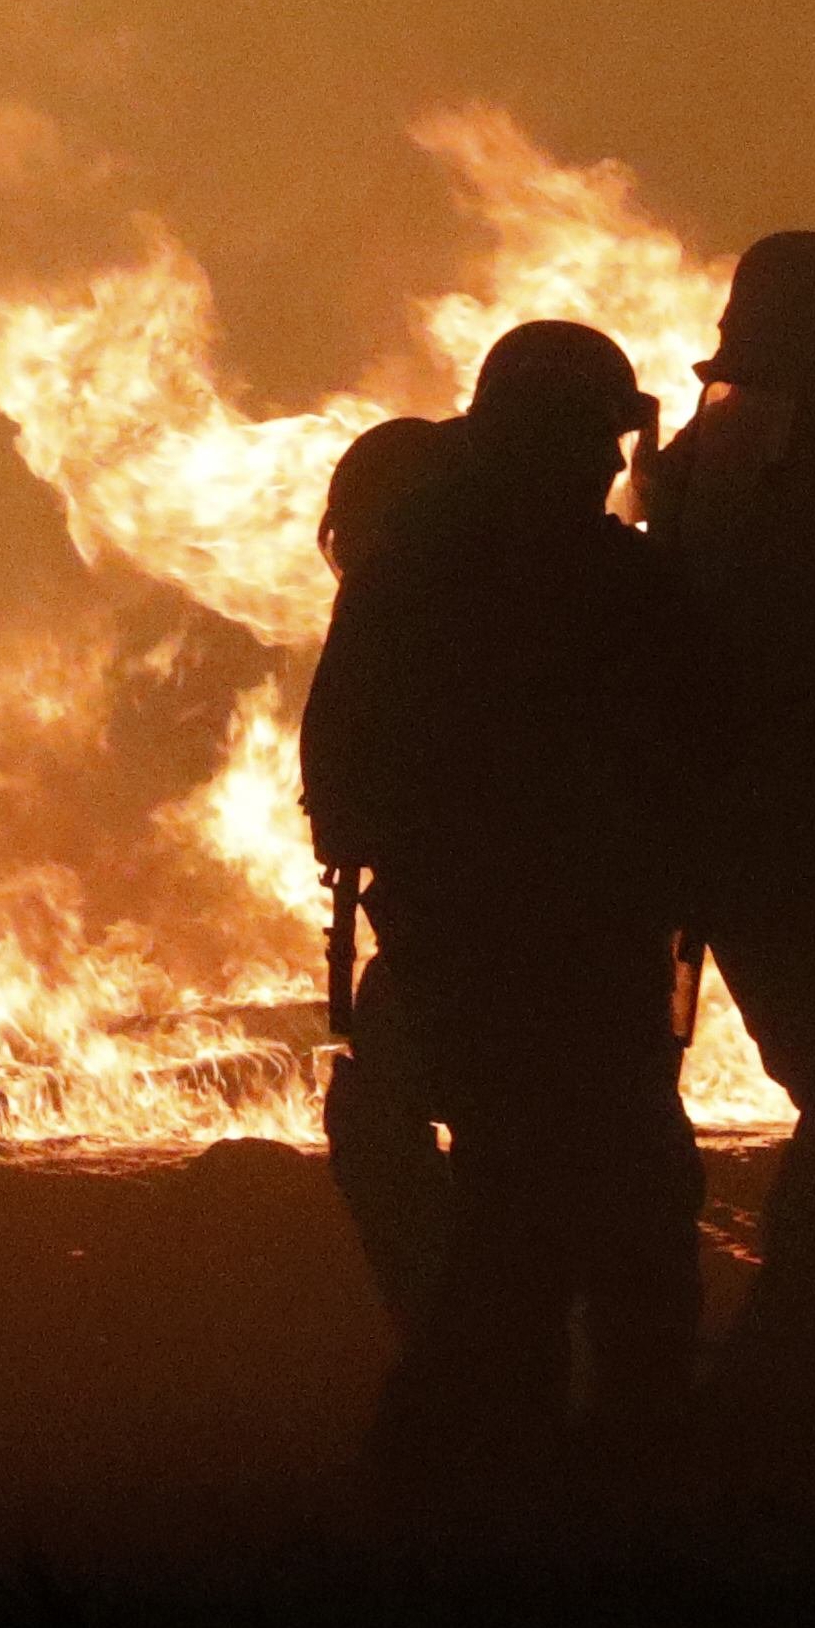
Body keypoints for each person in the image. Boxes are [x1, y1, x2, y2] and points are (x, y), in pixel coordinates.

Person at [302, 325, 706, 1467]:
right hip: (567, 948)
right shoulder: (613, 585)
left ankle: (490, 1448)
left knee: (529, 1192)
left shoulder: (409, 572)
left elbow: (340, 770)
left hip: (465, 939)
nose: (603, 465)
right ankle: (536, 1455)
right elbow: (695, 746)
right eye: (591, 440)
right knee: (595, 1203)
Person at [639, 231, 815, 1408]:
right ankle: (795, 1373)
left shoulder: (731, 447)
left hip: (758, 824)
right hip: (777, 836)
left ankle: (810, 1361)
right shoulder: (774, 461)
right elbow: (778, 651)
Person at [301, 418, 468, 1393]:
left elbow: (348, 783)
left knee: (386, 1130)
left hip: (473, 937)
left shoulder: (402, 599)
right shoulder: (520, 586)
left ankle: (464, 1377)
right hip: (492, 934)